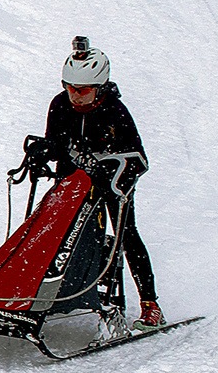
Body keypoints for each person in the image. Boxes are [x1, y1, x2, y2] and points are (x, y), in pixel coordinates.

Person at [40, 37, 163, 331]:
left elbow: (139, 159)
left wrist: (117, 175)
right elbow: (55, 144)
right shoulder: (60, 106)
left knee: (126, 236)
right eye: (69, 88)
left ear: (101, 86)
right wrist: (41, 153)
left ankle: (150, 304)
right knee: (57, 233)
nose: (75, 97)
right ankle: (55, 293)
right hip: (73, 184)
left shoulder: (115, 112)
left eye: (83, 91)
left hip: (113, 186)